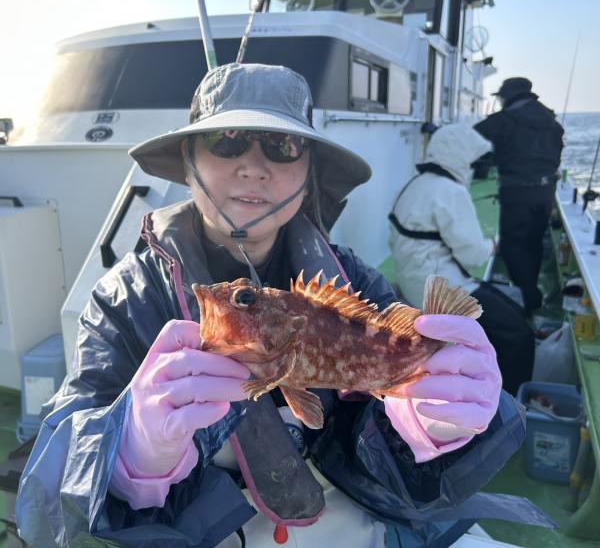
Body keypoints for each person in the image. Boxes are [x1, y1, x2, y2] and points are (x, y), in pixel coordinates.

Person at [17, 64, 531, 548]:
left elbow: (403, 459)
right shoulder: (124, 300)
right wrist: (130, 451)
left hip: (356, 515)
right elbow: (48, 495)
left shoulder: (351, 278)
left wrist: (433, 429)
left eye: (283, 147)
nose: (254, 168)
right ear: (188, 164)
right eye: (226, 141)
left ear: (308, 175)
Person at [388, 123, 535, 396]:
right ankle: (509, 402)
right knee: (519, 333)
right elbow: (474, 256)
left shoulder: (413, 184)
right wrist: (493, 245)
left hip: (414, 282)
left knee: (509, 311)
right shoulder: (450, 191)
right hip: (440, 291)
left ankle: (486, 381)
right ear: (459, 156)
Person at [474, 77, 564, 314]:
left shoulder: (503, 120)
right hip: (545, 193)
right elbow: (555, 155)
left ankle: (528, 297)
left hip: (517, 194)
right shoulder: (552, 122)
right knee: (534, 243)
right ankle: (532, 291)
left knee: (513, 246)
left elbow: (468, 139)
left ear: (506, 97)